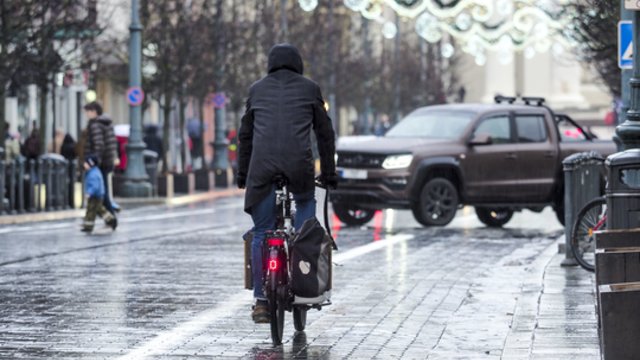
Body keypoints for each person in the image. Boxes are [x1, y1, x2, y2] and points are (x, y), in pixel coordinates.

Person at [237, 43, 337, 323]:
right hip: (298, 167)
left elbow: (245, 136)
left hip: (262, 168)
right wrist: (329, 173)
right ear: (298, 64)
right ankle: (305, 287)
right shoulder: (310, 88)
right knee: (305, 218)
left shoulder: (256, 89)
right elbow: (325, 134)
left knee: (261, 232)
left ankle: (260, 300)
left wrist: (242, 174)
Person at [83, 101, 119, 216]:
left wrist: (91, 161)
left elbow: (99, 145)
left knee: (99, 192)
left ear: (94, 112)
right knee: (102, 190)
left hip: (100, 163)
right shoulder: (107, 123)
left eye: (88, 112)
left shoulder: (95, 125)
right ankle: (108, 216)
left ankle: (110, 216)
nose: (87, 114)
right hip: (107, 161)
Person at [81, 154, 117, 233]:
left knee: (95, 210)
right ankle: (88, 225)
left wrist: (89, 193)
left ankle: (110, 219)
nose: (84, 164)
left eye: (86, 163)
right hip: (96, 195)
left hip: (96, 196)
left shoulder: (93, 174)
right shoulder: (93, 172)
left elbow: (95, 186)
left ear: (91, 164)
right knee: (94, 210)